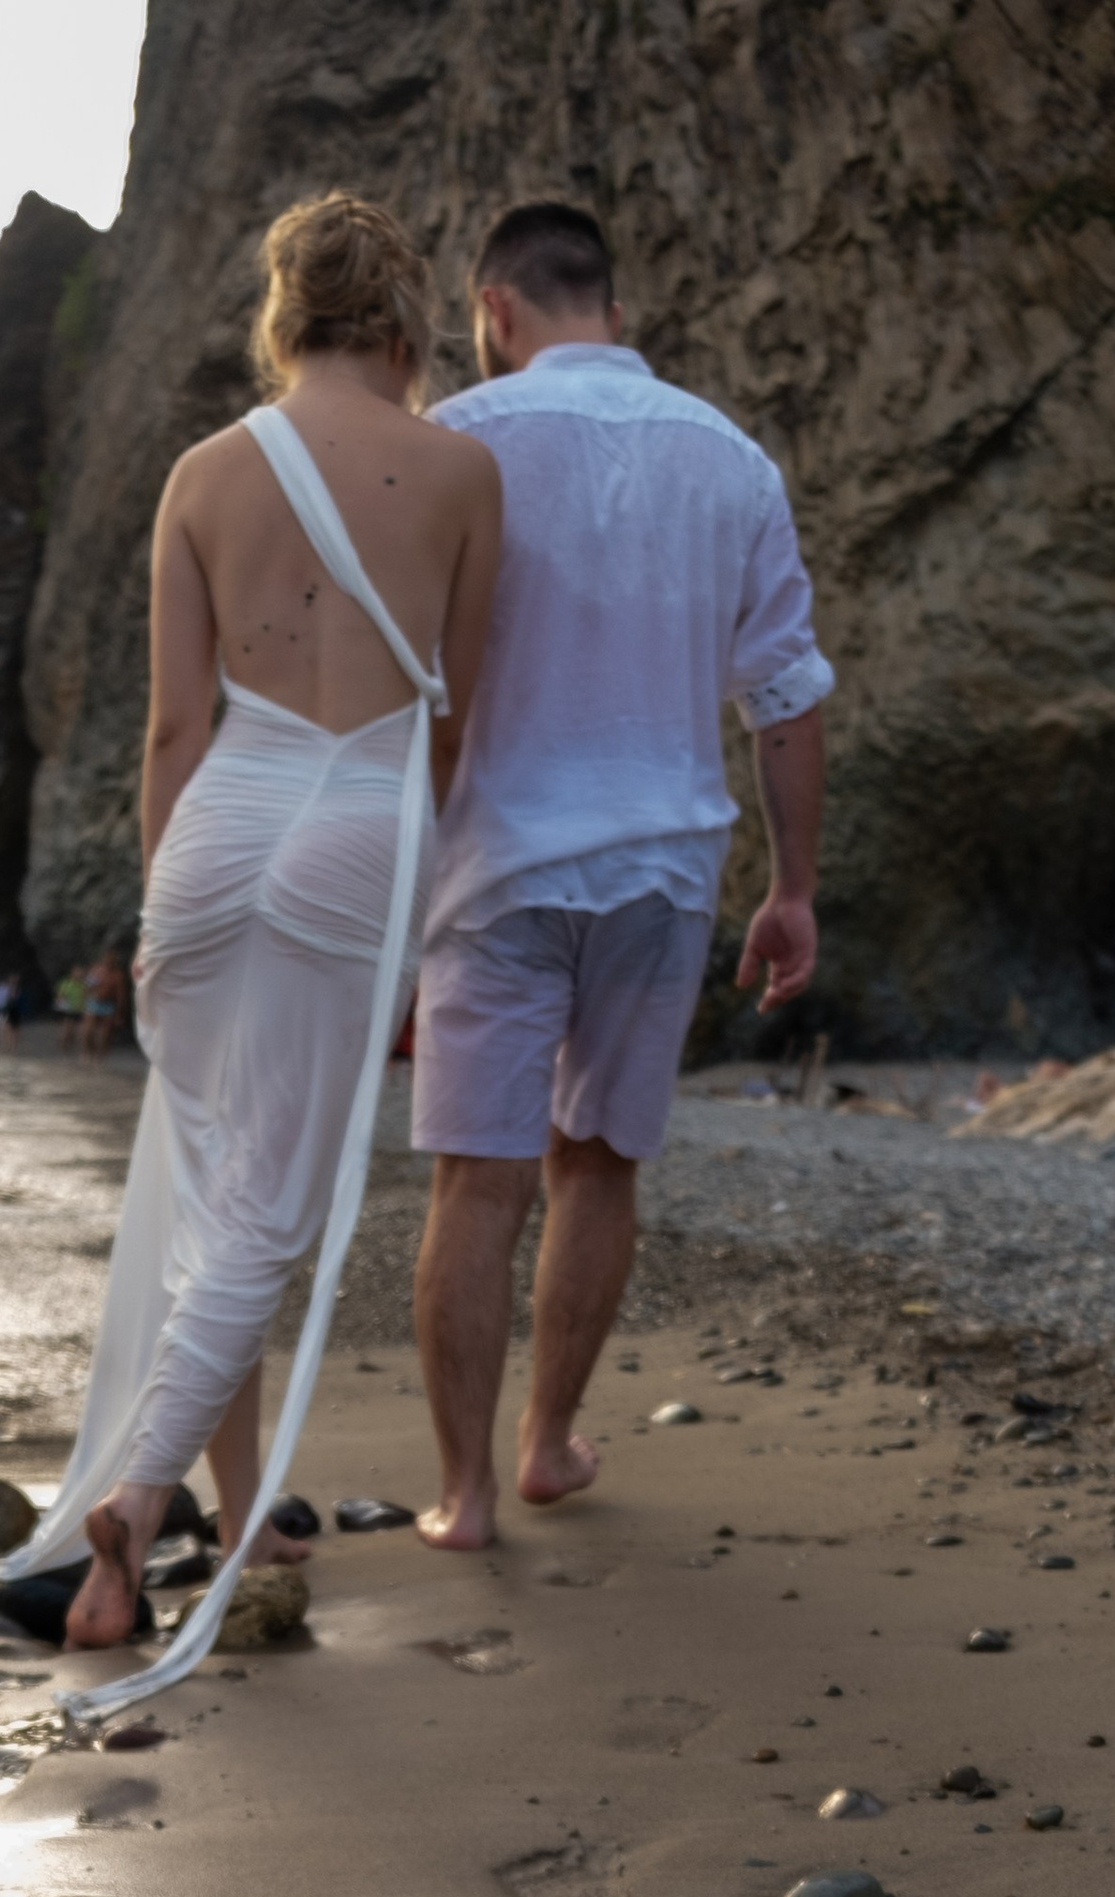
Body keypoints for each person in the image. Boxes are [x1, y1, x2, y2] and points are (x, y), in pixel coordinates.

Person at [0, 192, 501, 1692]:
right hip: (357, 830)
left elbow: (169, 727)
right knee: (267, 1213)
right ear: (404, 328)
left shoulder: (203, 476)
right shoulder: (462, 472)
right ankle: (137, 1506)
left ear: (281, 325)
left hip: (215, 837)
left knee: (220, 1189)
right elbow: (452, 729)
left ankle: (234, 1520)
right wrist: (415, 899)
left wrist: (167, 911)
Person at [408, 199, 833, 1549]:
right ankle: (545, 1447)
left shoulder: (455, 445)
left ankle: (465, 1497)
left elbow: (406, 688)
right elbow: (787, 698)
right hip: (667, 869)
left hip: (497, 874)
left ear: (493, 311)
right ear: (616, 309)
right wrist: (793, 890)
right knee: (596, 1168)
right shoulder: (732, 460)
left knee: (478, 1181)